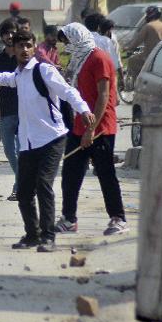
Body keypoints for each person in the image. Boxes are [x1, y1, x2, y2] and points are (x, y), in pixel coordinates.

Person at [0, 30, 94, 253]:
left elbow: (66, 91)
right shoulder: (20, 75)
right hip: (28, 142)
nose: (24, 50)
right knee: (25, 191)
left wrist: (83, 109)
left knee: (43, 186)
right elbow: (5, 78)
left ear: (34, 46)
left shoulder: (43, 70)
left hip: (52, 138)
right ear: (14, 49)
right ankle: (32, 235)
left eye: (28, 45)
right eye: (20, 46)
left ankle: (48, 237)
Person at [53, 23, 128, 236]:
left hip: (100, 127)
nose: (66, 46)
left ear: (77, 39)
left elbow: (104, 95)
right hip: (80, 126)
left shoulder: (99, 58)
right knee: (71, 173)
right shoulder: (79, 60)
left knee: (105, 174)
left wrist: (91, 130)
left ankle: (118, 218)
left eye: (67, 41)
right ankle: (69, 219)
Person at [0, 20, 20, 201]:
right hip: (6, 110)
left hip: (25, 110)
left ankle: (19, 187)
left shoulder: (23, 56)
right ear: (2, 36)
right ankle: (24, 180)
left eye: (12, 32)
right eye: (6, 33)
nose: (9, 36)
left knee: (23, 150)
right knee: (10, 151)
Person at [125, 5, 162, 77]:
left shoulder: (148, 26)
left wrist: (128, 48)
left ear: (150, 15)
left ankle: (136, 82)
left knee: (132, 60)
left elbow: (137, 41)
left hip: (149, 57)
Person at [98, 19, 124, 89]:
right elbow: (117, 58)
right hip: (106, 69)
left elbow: (117, 57)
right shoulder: (107, 40)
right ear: (110, 29)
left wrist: (121, 77)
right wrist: (121, 77)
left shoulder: (112, 39)